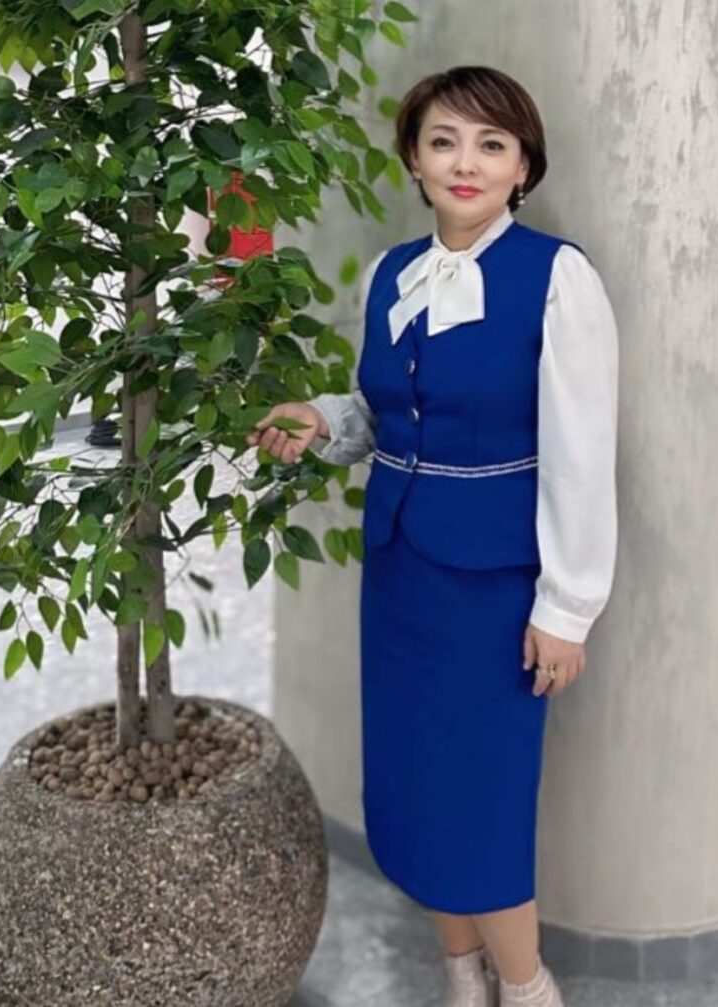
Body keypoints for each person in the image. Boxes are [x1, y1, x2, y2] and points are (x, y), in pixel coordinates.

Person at [248, 66, 618, 1007]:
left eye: (492, 144)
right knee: (416, 786)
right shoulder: (391, 273)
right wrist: (322, 420)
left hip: (495, 588)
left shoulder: (556, 278)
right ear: (413, 158)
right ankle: (462, 971)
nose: (466, 162)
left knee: (482, 800)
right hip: (401, 576)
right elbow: (384, 413)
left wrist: (568, 606)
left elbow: (581, 453)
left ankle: (527, 987)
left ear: (523, 166)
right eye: (444, 140)